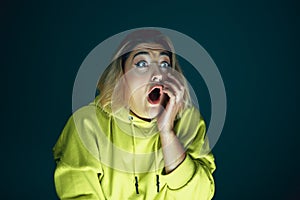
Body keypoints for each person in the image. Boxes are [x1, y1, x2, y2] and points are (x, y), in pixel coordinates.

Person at [53, 29, 216, 199]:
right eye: (141, 64)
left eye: (164, 64)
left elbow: (200, 195)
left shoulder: (189, 121)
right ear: (121, 75)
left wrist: (167, 133)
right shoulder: (87, 124)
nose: (157, 75)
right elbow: (79, 194)